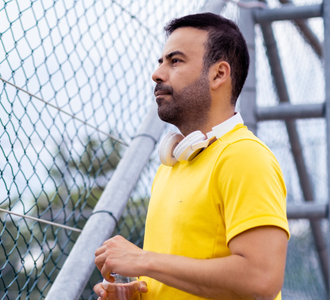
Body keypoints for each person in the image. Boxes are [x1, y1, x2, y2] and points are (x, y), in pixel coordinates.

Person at [94, 12, 289, 300]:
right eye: (160, 62)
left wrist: (143, 260)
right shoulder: (173, 164)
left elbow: (261, 278)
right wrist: (141, 294)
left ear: (219, 74)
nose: (157, 73)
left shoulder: (244, 157)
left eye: (175, 61)